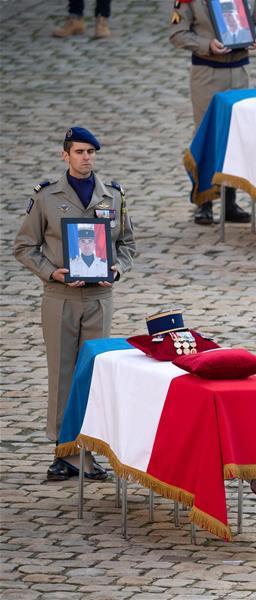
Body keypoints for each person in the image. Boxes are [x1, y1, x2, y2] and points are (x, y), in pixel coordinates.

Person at [13, 127, 136, 481]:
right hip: (61, 297)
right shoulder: (47, 197)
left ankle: (88, 452)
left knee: (93, 374)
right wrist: (51, 273)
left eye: (91, 152)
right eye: (79, 152)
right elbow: (24, 247)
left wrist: (117, 268)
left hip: (99, 298)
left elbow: (127, 244)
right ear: (64, 155)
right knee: (62, 373)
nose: (86, 158)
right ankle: (63, 452)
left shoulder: (112, 196)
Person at [170, 0, 256, 225]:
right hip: (208, 74)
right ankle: (204, 202)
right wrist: (207, 44)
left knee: (234, 136)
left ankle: (229, 201)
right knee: (207, 135)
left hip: (239, 73)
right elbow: (177, 34)